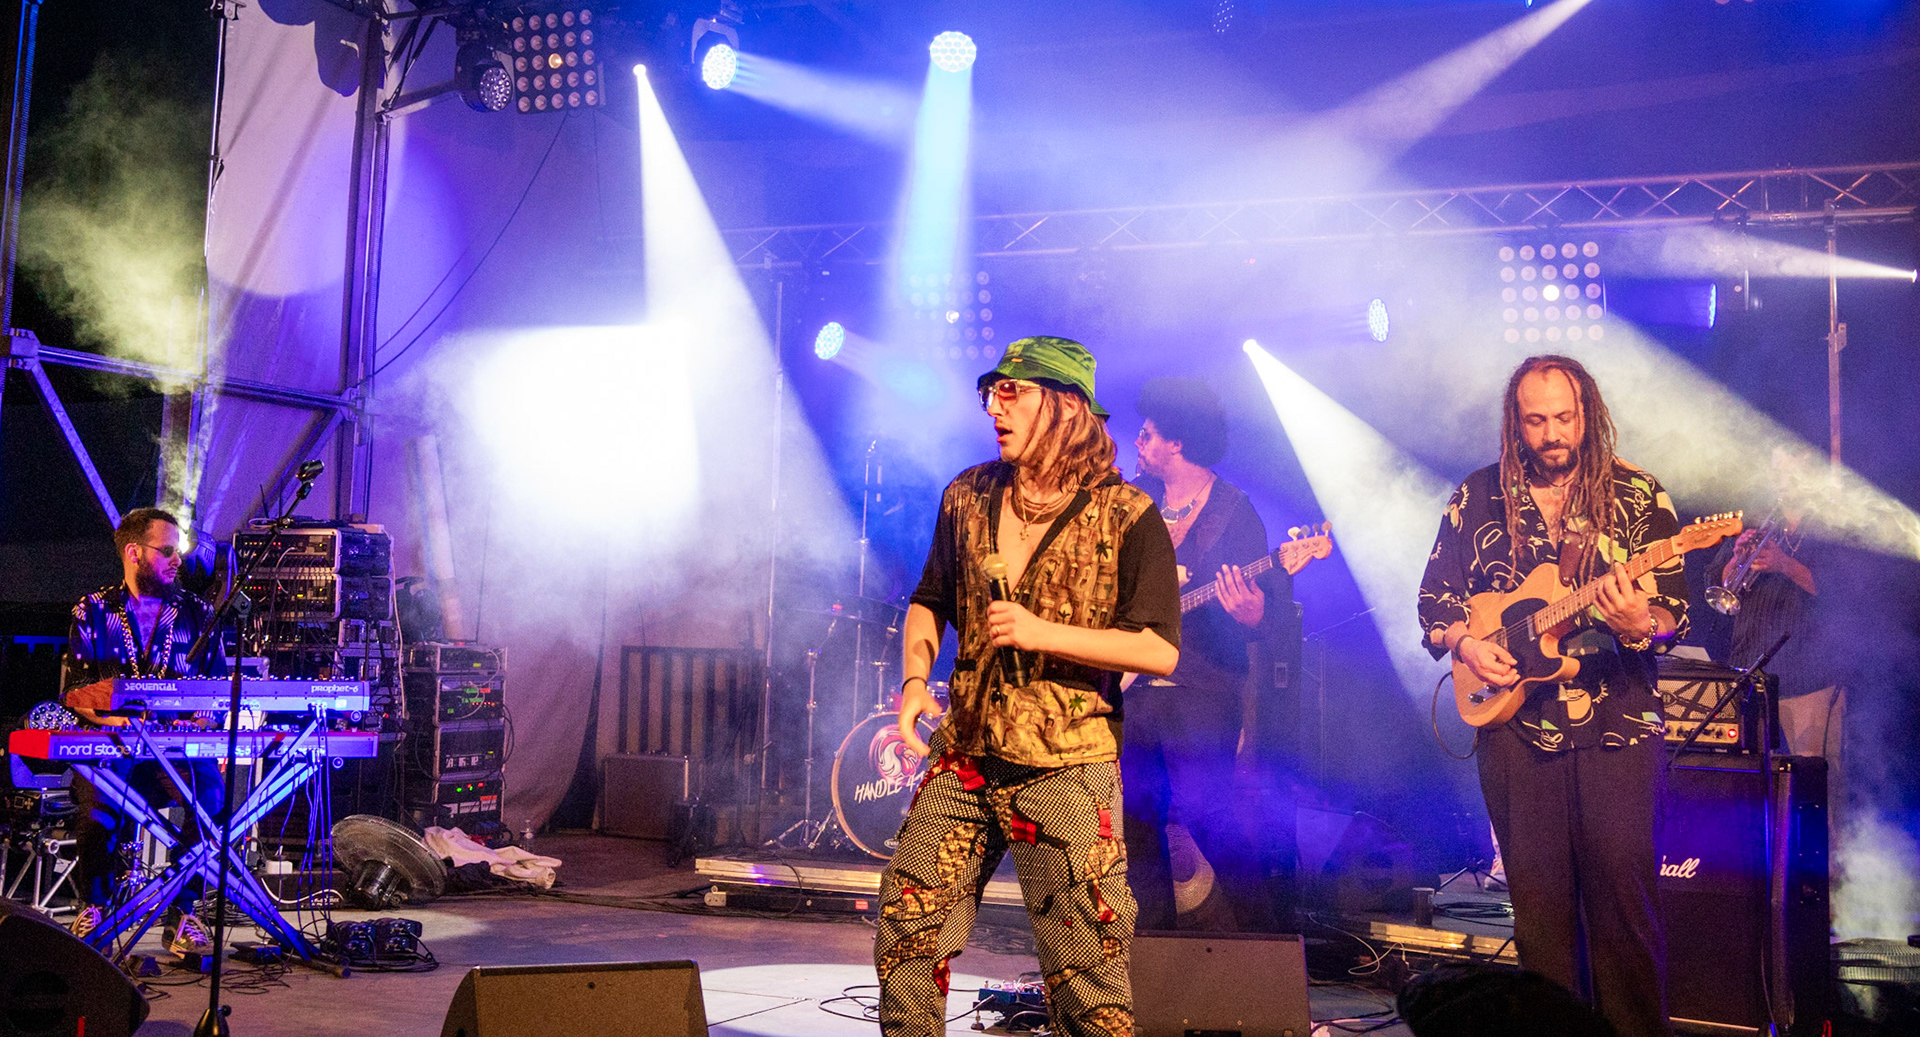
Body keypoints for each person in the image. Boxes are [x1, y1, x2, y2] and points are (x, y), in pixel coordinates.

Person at [877, 336, 1182, 1037]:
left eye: (1013, 392)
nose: (996, 408)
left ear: (1066, 405)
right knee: (906, 929)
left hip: (1066, 769)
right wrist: (915, 678)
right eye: (992, 394)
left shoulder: (1128, 514)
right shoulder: (968, 495)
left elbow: (1158, 648)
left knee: (1089, 977)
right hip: (964, 756)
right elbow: (930, 599)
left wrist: (1043, 631)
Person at [1417, 356, 1689, 1037]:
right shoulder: (1477, 495)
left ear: (1586, 412)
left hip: (1617, 726)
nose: (1552, 434)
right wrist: (1466, 644)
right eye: (1536, 420)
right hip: (1515, 733)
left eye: (1564, 418)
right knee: (1540, 921)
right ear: (1516, 422)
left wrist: (1640, 622)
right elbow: (1434, 601)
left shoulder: (1638, 495)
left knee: (1625, 912)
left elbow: (1674, 615)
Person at [1124, 377, 1285, 933]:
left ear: (1178, 442)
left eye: (1148, 434)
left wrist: (1253, 612)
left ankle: (1264, 946)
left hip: (1202, 690)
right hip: (1133, 689)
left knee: (1210, 819)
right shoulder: (1135, 502)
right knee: (1134, 826)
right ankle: (1152, 953)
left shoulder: (1234, 512)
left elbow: (1274, 612)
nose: (1138, 442)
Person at [61, 507, 225, 956]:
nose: (177, 559)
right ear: (134, 553)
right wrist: (116, 721)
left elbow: (215, 692)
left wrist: (199, 721)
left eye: (179, 550)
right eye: (167, 550)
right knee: (97, 811)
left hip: (175, 752)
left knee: (213, 801)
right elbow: (75, 692)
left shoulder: (198, 612)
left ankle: (183, 911)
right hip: (111, 747)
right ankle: (94, 906)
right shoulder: (93, 610)